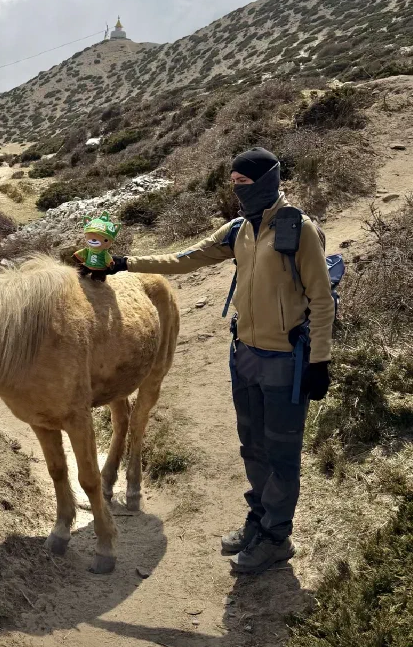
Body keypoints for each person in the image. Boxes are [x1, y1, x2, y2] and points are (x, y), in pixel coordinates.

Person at [107, 147, 334, 575]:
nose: (236, 190)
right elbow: (182, 259)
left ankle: (276, 538)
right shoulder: (238, 230)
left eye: (243, 183)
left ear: (266, 180)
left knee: (282, 452)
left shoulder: (298, 229)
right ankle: (258, 520)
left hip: (287, 361)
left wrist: (319, 361)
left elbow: (321, 301)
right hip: (244, 356)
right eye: (231, 183)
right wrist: (121, 265)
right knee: (253, 446)